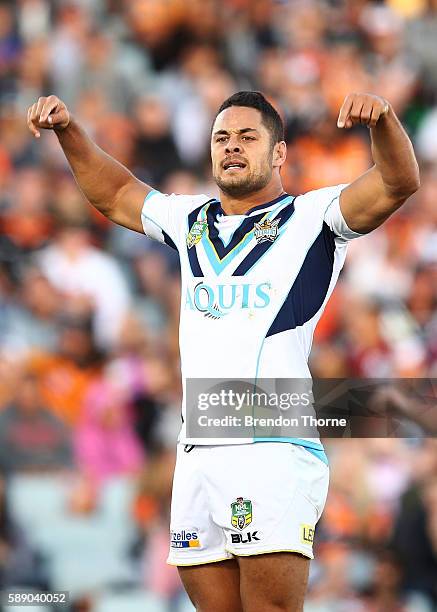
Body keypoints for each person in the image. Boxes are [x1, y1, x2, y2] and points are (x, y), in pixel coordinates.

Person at [27, 90, 419, 612]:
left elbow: (398, 181)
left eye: (248, 137)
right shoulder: (189, 220)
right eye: (221, 138)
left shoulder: (313, 216)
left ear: (279, 153)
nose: (231, 147)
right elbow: (116, 192)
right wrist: (69, 131)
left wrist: (384, 122)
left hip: (272, 443)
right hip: (199, 445)